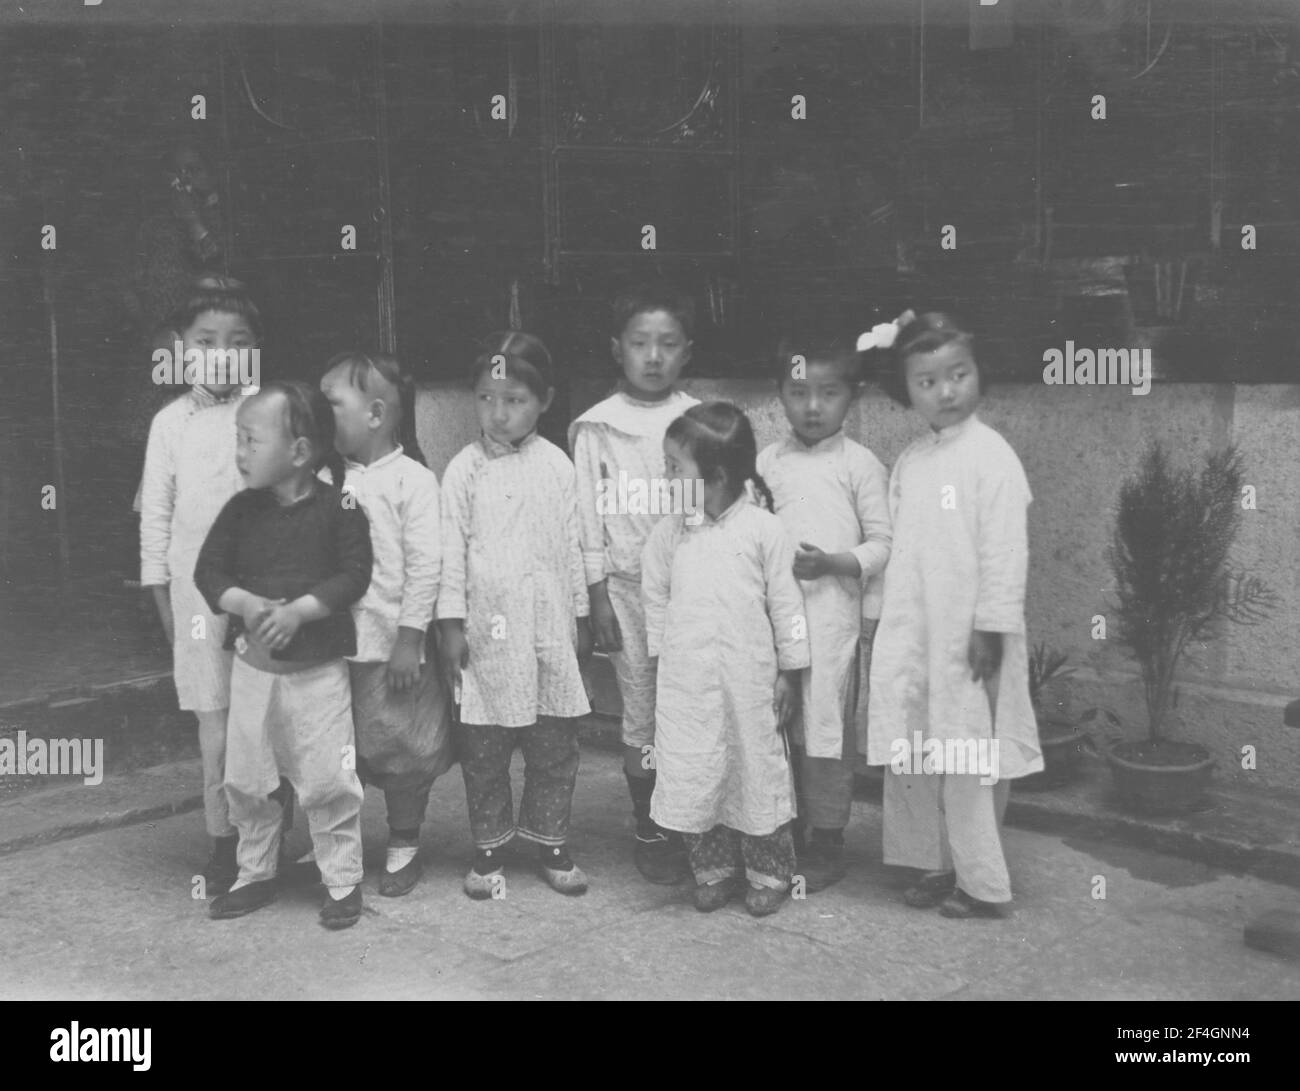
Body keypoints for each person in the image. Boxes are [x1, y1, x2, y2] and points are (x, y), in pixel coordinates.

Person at [865, 311, 1042, 919]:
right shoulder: (913, 460)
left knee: (966, 753)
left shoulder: (992, 458)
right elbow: (900, 548)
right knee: (915, 750)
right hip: (916, 633)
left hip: (969, 640)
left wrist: (991, 625)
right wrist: (879, 615)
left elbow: (1005, 552)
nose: (945, 391)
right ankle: (932, 863)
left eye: (957, 374)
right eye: (927, 381)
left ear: (978, 375)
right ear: (906, 391)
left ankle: (982, 882)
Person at [195, 382, 372, 930]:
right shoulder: (241, 510)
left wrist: (300, 611)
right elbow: (209, 572)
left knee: (326, 778)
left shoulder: (339, 507)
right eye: (238, 440)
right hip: (253, 672)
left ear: (298, 451)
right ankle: (255, 873)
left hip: (316, 676)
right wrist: (245, 603)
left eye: (251, 440)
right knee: (246, 779)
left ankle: (341, 878)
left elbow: (354, 575)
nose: (240, 452)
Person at [438, 332, 594, 900]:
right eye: (486, 399)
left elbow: (573, 546)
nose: (498, 413)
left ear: (544, 401)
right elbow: (449, 552)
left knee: (553, 744)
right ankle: (489, 848)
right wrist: (451, 624)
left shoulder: (558, 467)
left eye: (514, 400)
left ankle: (550, 840)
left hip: (547, 631)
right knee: (485, 750)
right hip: (486, 639)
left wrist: (579, 616)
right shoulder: (463, 471)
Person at [643, 402, 810, 917]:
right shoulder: (670, 534)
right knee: (698, 769)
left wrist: (790, 671)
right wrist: (660, 664)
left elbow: (788, 605)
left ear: (714, 476)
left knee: (753, 768)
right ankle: (713, 869)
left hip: (750, 681)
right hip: (689, 682)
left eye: (675, 466)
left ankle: (769, 872)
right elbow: (655, 598)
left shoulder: (763, 531)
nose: (665, 475)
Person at [568, 282, 700, 884]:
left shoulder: (697, 421)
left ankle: (692, 818)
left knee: (690, 705)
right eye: (640, 343)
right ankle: (648, 821)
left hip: (688, 591)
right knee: (641, 713)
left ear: (686, 351)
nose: (653, 357)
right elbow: (588, 519)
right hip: (623, 589)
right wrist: (595, 594)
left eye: (667, 344)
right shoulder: (597, 427)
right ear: (616, 348)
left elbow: (704, 513)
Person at [757, 331, 891, 891]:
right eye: (798, 392)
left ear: (851, 398)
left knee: (826, 730)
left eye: (828, 393)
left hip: (832, 621)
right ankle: (780, 827)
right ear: (779, 396)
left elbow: (884, 542)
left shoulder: (860, 465)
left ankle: (829, 837)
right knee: (778, 725)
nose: (813, 407)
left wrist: (836, 562)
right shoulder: (765, 461)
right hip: (774, 622)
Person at [138, 276, 259, 895]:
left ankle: (268, 839)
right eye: (206, 340)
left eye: (238, 341)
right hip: (194, 599)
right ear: (180, 348)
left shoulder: (267, 410)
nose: (223, 353)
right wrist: (163, 601)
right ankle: (224, 840)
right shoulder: (169, 425)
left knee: (265, 717)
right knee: (214, 719)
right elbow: (156, 520)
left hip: (262, 589)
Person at [319, 352, 454, 897]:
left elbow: (426, 566)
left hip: (391, 649)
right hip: (332, 648)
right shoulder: (324, 478)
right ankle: (337, 844)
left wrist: (409, 638)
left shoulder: (413, 482)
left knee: (402, 750)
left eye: (330, 404)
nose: (317, 413)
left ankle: (403, 842)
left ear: (374, 414)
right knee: (332, 750)